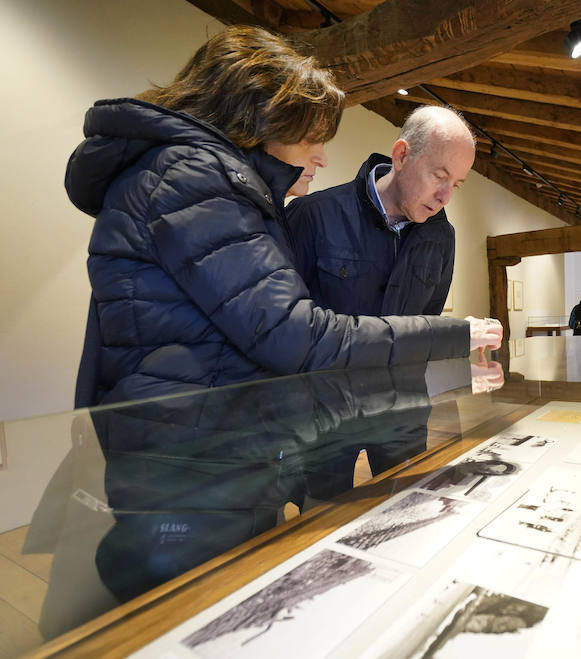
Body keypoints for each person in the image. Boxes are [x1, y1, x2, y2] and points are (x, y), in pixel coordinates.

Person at [64, 26, 501, 408]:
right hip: (192, 451)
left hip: (211, 436)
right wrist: (451, 335)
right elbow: (294, 335)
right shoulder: (192, 180)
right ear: (260, 121)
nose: (322, 157)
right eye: (311, 137)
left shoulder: (201, 180)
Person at [285, 104, 476, 316]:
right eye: (439, 177)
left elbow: (428, 332)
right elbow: (283, 322)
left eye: (455, 185)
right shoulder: (312, 214)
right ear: (401, 155)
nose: (445, 198)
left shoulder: (442, 238)